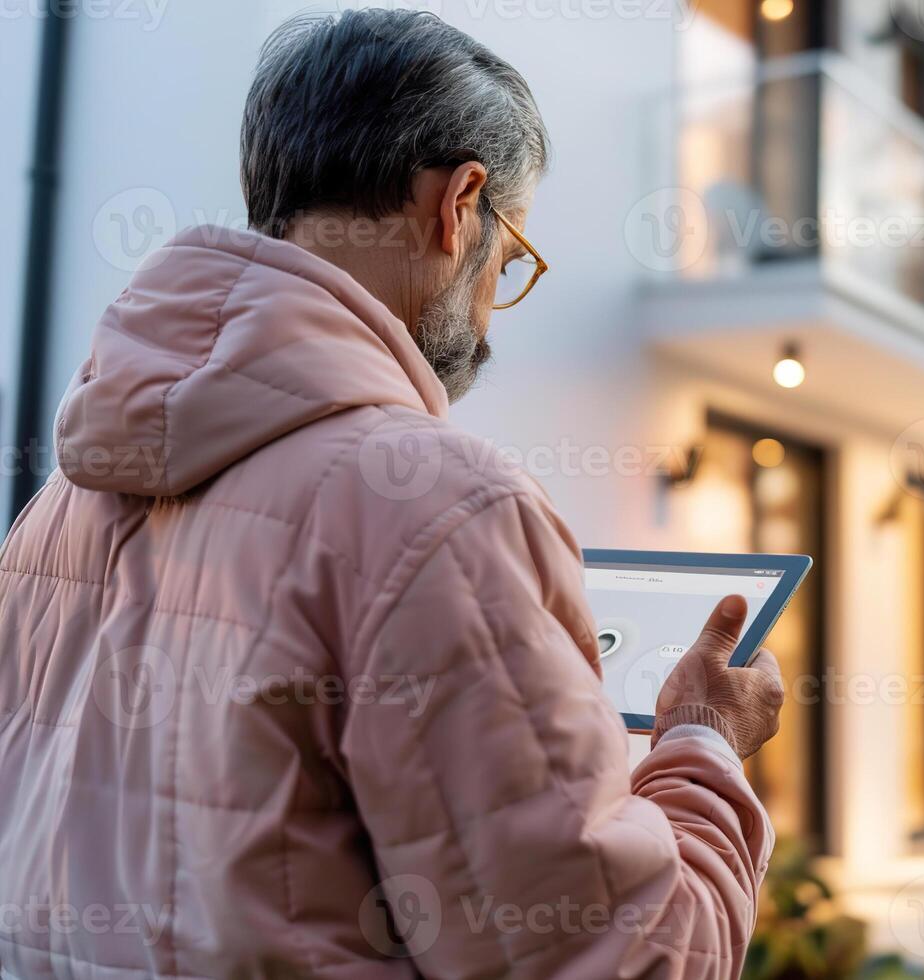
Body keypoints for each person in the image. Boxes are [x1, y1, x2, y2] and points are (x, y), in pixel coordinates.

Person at [0, 9, 784, 978]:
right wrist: (703, 745)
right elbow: (617, 959)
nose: (494, 306)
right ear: (460, 206)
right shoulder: (446, 511)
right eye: (513, 257)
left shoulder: (57, 508)